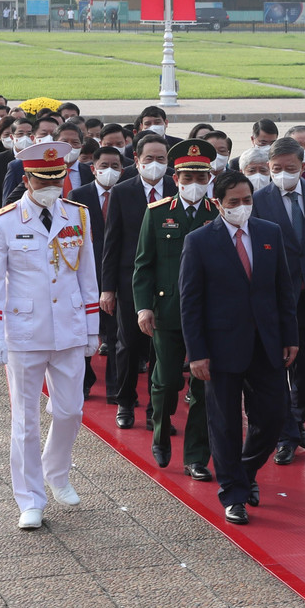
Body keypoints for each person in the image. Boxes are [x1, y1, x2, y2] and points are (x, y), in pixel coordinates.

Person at [0, 141, 100, 530]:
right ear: (27, 178)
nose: (52, 186)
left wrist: (93, 328)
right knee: (25, 421)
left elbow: (87, 276)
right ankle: (30, 499)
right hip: (24, 332)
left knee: (71, 411)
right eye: (43, 179)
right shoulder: (5, 221)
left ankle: (56, 470)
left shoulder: (76, 216)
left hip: (68, 328)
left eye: (58, 178)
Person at [178, 170, 298, 525]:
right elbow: (190, 301)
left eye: (247, 200)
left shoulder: (269, 233)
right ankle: (233, 493)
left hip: (267, 344)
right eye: (234, 202)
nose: (242, 207)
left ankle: (244, 472)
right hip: (220, 347)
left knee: (274, 417)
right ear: (218, 204)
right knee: (225, 423)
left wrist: (291, 337)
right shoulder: (199, 241)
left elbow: (283, 291)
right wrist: (196, 353)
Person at [133, 139, 222, 481]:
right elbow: (144, 265)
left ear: (210, 177)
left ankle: (196, 457)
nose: (194, 184)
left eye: (200, 177)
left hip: (209, 315)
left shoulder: (217, 213)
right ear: (176, 178)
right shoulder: (157, 214)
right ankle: (160, 428)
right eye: (187, 177)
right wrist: (143, 308)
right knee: (167, 380)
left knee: (202, 387)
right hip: (167, 310)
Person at [253, 137, 305, 466]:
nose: (283, 174)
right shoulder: (260, 200)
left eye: (290, 168)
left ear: (303, 167)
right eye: (277, 169)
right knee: (278, 367)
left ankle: (295, 420)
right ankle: (288, 434)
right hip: (277, 298)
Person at [101, 133, 176, 430]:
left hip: (169, 282)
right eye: (149, 159)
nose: (155, 165)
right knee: (129, 345)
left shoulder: (176, 188)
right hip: (130, 280)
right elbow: (111, 243)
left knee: (163, 348)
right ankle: (125, 401)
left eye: (161, 159)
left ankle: (157, 410)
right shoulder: (123, 192)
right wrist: (107, 288)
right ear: (137, 160)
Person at [69, 144, 125, 401]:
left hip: (117, 275)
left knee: (115, 335)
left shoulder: (127, 195)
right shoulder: (77, 197)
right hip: (84, 274)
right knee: (83, 333)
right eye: (104, 166)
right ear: (93, 169)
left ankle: (115, 387)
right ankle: (84, 380)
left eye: (115, 166)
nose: (110, 171)